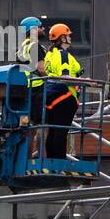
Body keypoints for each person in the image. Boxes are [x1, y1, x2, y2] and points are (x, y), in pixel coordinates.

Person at [42, 23, 83, 162]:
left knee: (53, 131)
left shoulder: (50, 54)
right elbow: (64, 76)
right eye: (68, 35)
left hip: (51, 97)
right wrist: (87, 81)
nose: (70, 37)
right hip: (65, 97)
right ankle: (59, 163)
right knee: (61, 132)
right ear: (63, 38)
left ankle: (52, 162)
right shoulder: (62, 54)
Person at [16, 17, 47, 157]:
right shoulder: (34, 45)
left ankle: (26, 160)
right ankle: (41, 159)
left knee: (30, 128)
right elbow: (41, 69)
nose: (43, 28)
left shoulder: (23, 46)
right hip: (38, 89)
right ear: (33, 29)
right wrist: (57, 79)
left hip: (27, 90)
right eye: (40, 26)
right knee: (43, 126)